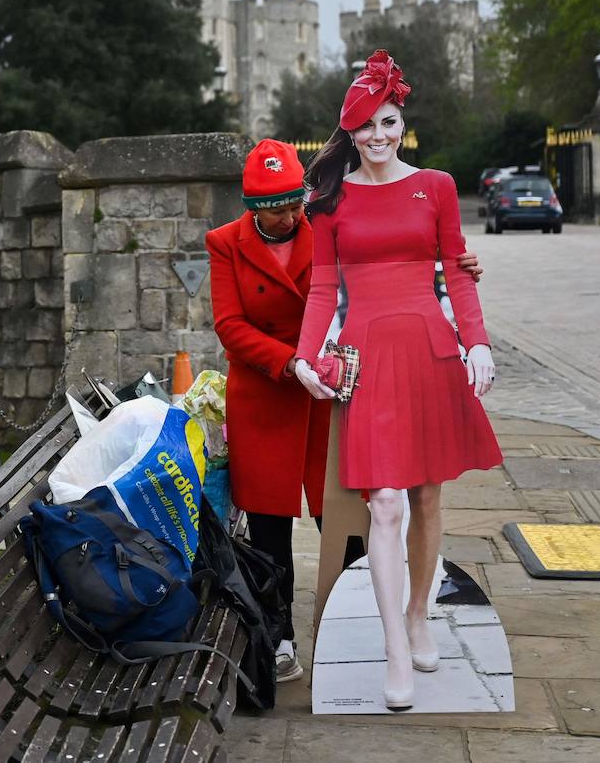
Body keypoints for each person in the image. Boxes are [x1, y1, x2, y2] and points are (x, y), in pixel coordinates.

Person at [205, 138, 480, 684]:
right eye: (274, 210)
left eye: (292, 205)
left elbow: (392, 267)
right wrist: (291, 362)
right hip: (266, 393)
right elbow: (230, 326)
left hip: (330, 395)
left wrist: (459, 267)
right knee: (269, 527)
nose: (288, 218)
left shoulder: (329, 224)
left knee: (348, 518)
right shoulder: (224, 244)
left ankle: (349, 625)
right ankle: (277, 634)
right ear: (252, 207)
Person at [291, 49, 502, 711]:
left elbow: (458, 271)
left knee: (429, 497)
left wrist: (478, 342)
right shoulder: (329, 201)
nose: (377, 138)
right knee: (386, 502)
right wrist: (304, 355)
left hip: (431, 353)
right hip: (367, 359)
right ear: (348, 134)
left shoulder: (435, 185)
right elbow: (324, 285)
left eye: (386, 123)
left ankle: (419, 614)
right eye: (364, 128)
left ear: (400, 121)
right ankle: (392, 648)